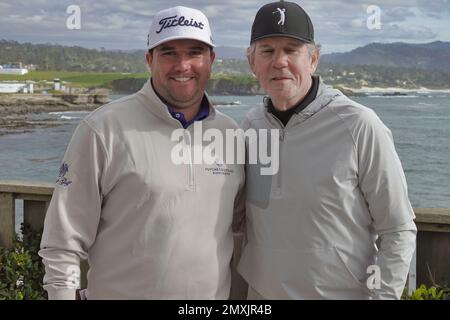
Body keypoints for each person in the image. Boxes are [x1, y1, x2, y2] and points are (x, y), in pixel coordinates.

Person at [39, 6, 245, 300]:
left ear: (211, 59)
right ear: (150, 59)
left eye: (195, 52)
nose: (183, 65)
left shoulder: (232, 134)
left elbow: (237, 233)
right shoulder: (101, 129)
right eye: (169, 52)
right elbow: (63, 239)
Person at [236, 1, 417, 299]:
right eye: (267, 50)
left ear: (313, 59)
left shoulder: (359, 125)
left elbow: (398, 228)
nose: (279, 61)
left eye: (292, 50)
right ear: (251, 61)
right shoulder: (249, 126)